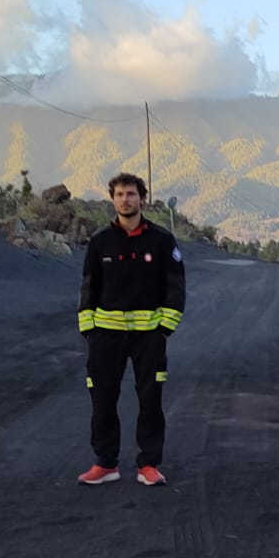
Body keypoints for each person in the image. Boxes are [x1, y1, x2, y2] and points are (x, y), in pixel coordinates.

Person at [77, 171, 185, 486]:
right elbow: (88, 287)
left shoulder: (162, 240)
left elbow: (175, 287)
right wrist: (89, 330)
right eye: (120, 194)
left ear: (143, 198)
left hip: (149, 339)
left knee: (150, 399)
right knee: (102, 400)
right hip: (105, 339)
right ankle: (105, 464)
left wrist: (164, 328)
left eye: (131, 194)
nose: (126, 199)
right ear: (113, 200)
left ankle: (148, 464)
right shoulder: (100, 242)